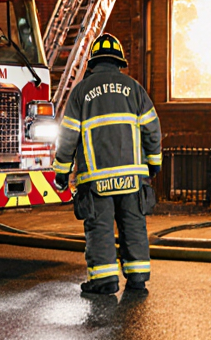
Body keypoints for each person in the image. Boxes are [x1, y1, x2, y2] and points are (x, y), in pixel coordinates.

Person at [52, 33, 161, 295]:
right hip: (132, 177)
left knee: (99, 227)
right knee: (133, 225)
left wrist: (61, 171)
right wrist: (154, 162)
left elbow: (68, 136)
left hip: (96, 178)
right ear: (118, 61)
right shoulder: (134, 88)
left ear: (93, 62)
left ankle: (105, 280)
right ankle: (137, 278)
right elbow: (152, 129)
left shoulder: (80, 92)